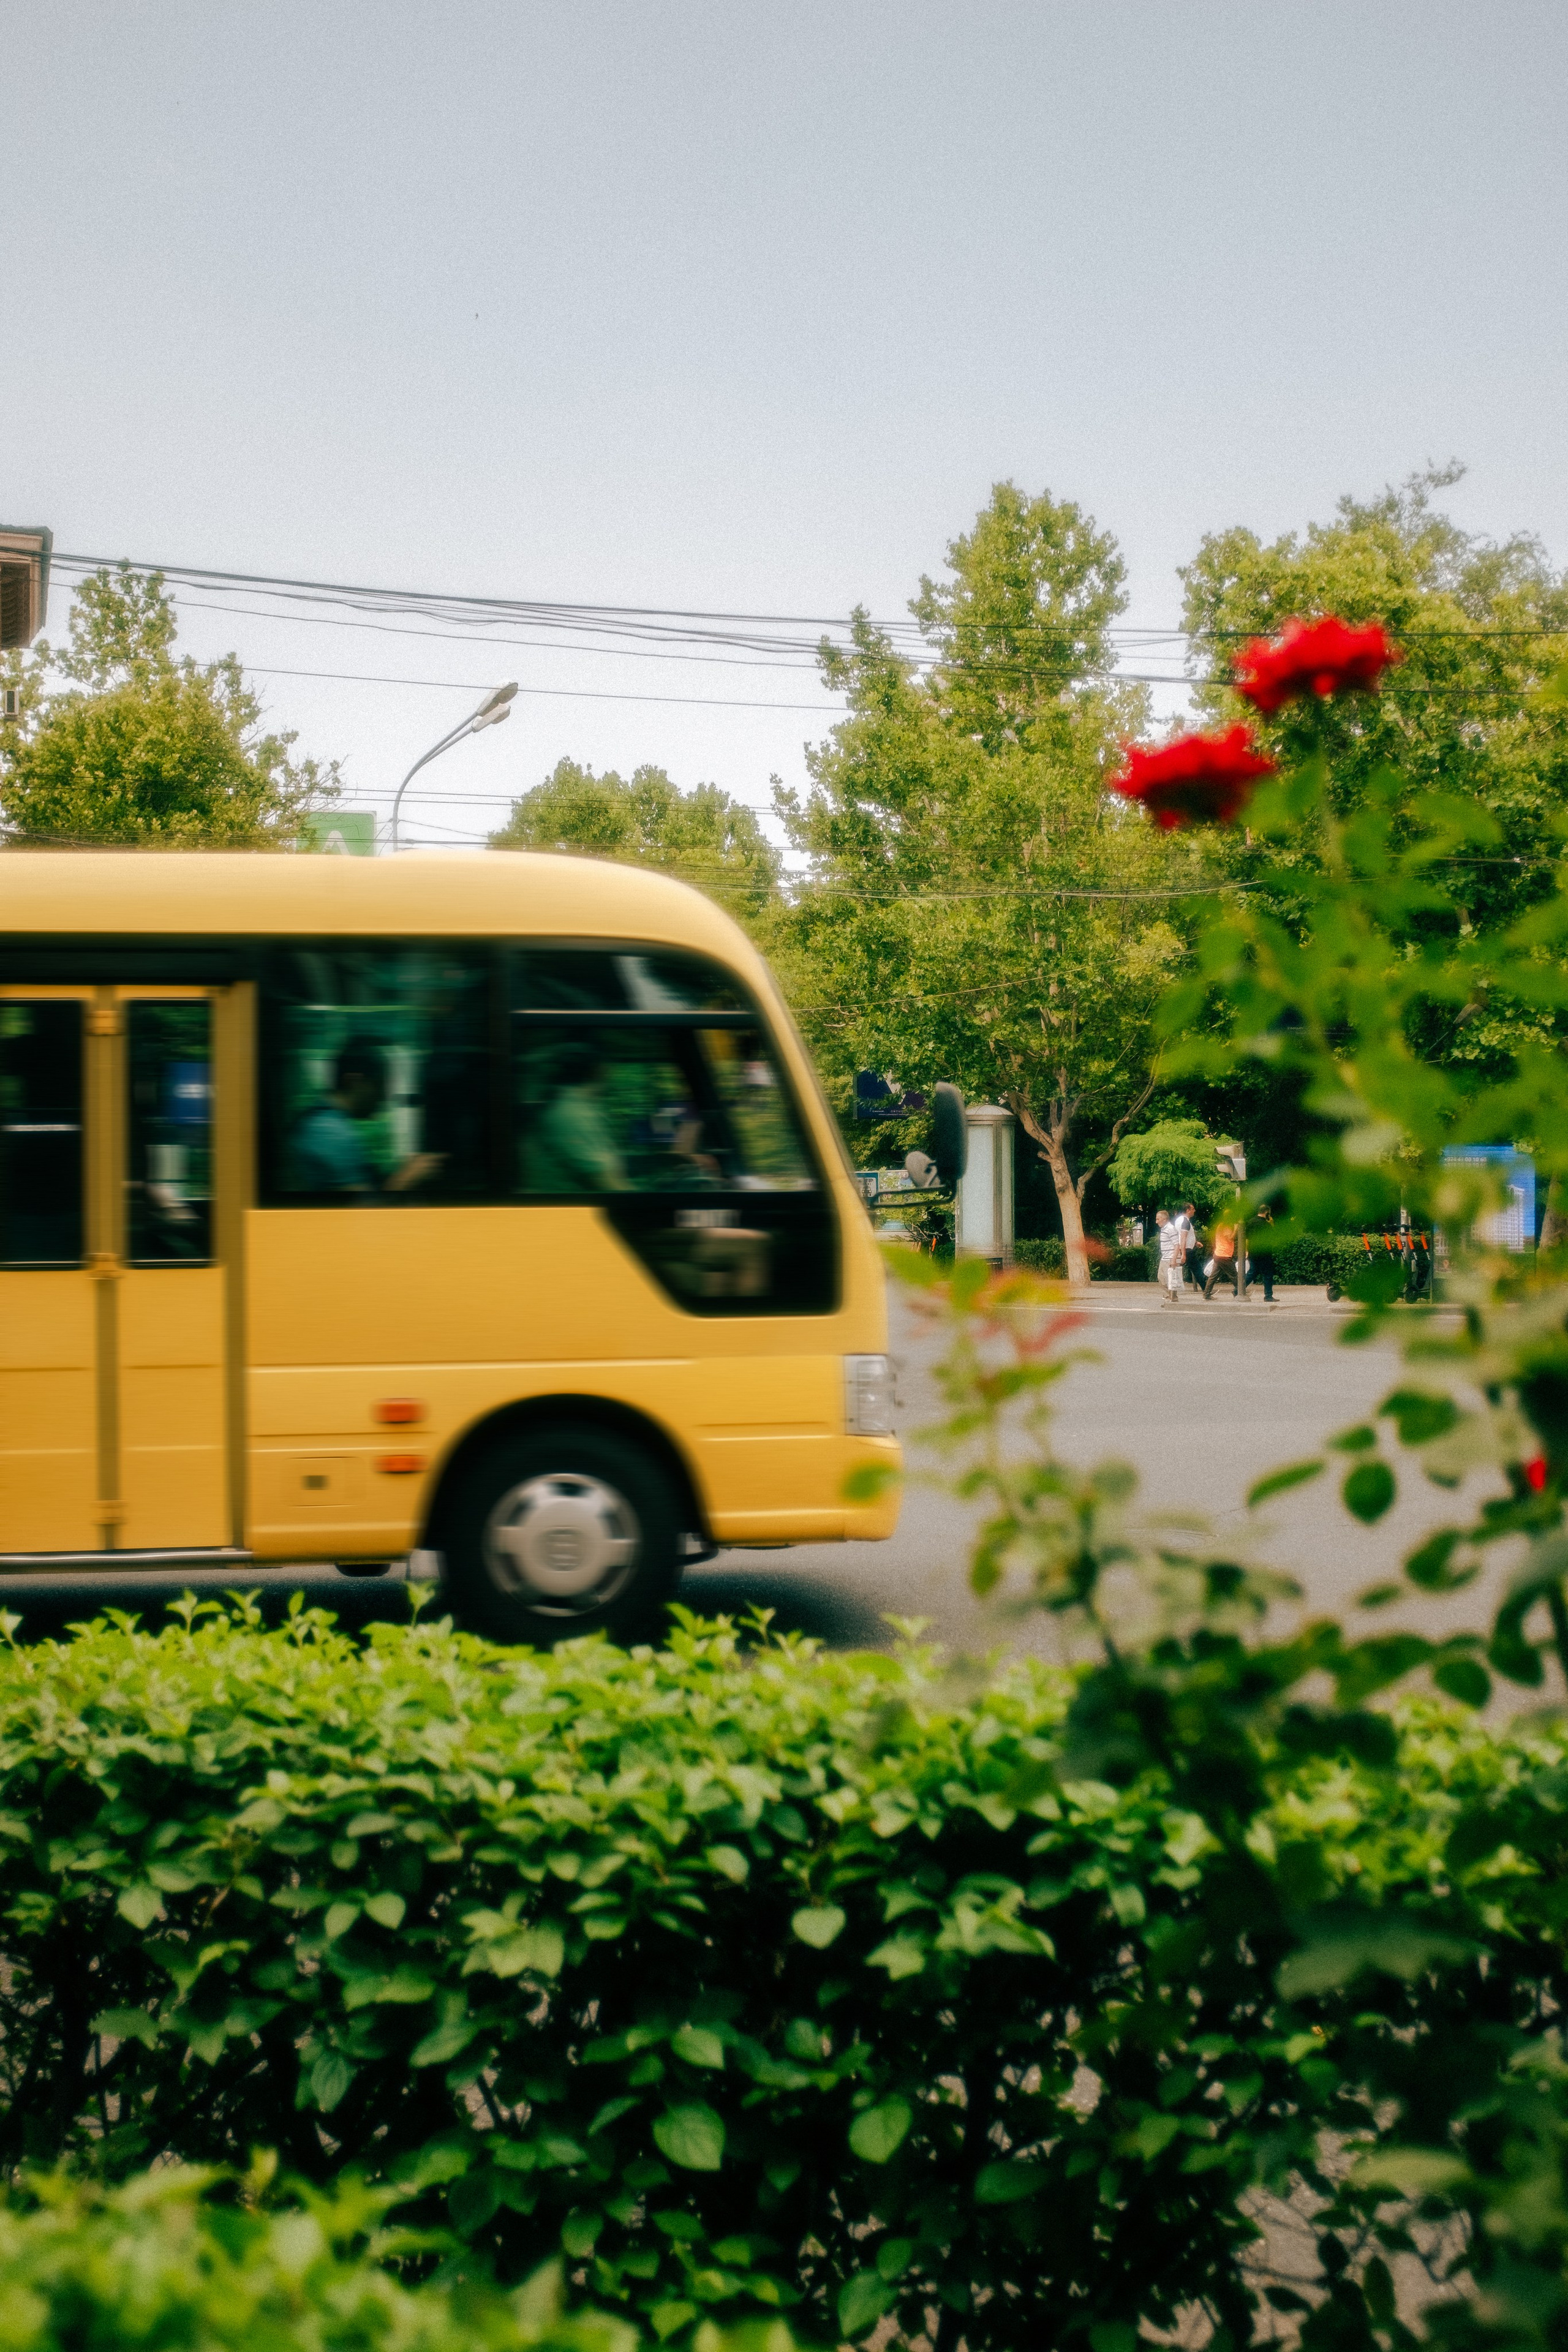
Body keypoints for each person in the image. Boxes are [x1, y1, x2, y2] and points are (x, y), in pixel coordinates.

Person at [289, 1038, 443, 1199]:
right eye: (378, 1086)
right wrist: (407, 1177)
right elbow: (359, 1209)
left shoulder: (326, 1123)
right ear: (353, 1082)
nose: (382, 1097)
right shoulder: (330, 1132)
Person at [1203, 1213, 1242, 1300]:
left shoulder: (1220, 1226)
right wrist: (1236, 1229)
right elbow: (1230, 1239)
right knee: (1234, 1275)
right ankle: (1240, 1292)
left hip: (1219, 1254)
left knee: (1213, 1276)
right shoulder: (1226, 1227)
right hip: (1224, 1255)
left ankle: (1206, 1294)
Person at [1155, 1207, 1186, 1304]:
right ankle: (1169, 1297)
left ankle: (1172, 1299)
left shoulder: (1170, 1229)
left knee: (1171, 1280)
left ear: (1164, 1219)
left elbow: (1177, 1245)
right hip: (1165, 1258)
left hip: (1170, 1258)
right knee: (1161, 1278)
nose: (1156, 1222)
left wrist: (1174, 1260)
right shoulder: (1164, 1229)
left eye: (1158, 1219)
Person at [1250, 1204, 1277, 1303]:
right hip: (1264, 1252)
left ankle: (1238, 1290)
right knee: (1268, 1274)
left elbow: (1247, 1237)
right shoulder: (1266, 1225)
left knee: (1253, 1272)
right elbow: (1273, 1237)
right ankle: (1268, 1296)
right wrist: (1272, 1224)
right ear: (1267, 1213)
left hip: (1253, 1251)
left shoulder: (1251, 1222)